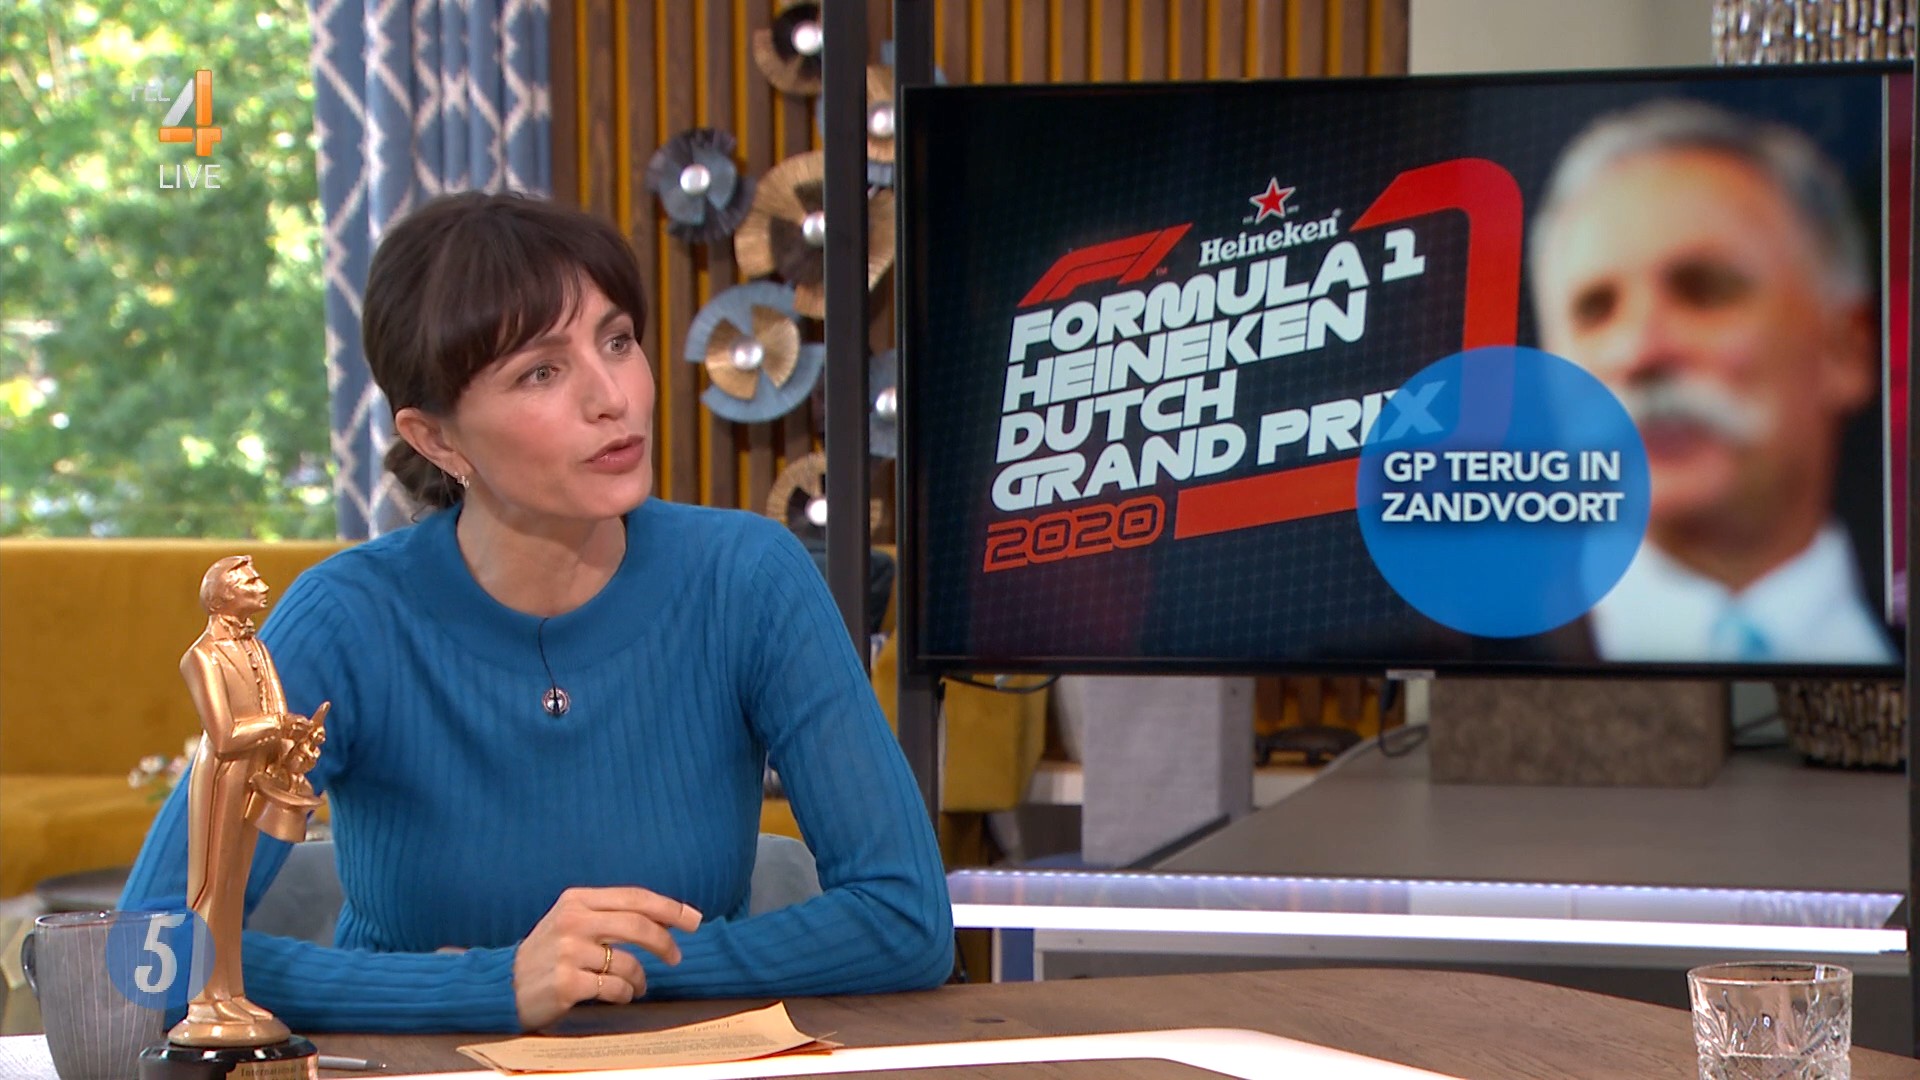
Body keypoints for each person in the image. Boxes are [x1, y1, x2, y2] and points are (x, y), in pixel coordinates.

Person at [121, 192, 954, 1034]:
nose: (611, 396)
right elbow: (146, 952)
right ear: (438, 439)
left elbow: (905, 919)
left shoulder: (749, 578)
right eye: (541, 373)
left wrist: (617, 971)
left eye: (617, 341)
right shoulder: (347, 619)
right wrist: (485, 986)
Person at [1528, 98, 1896, 664]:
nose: (1639, 351)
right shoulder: (1469, 665)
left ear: (1846, 349)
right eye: (1595, 311)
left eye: (1703, 290)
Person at [173, 555, 319, 1045]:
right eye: (249, 580)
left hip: (256, 773)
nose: (261, 585)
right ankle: (204, 998)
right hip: (222, 777)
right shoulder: (202, 656)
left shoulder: (257, 647)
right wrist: (280, 725)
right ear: (221, 596)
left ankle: (230, 993)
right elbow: (225, 734)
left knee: (235, 888)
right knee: (211, 886)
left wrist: (296, 744)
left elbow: (274, 713)